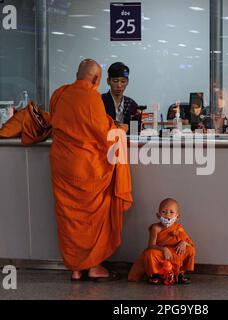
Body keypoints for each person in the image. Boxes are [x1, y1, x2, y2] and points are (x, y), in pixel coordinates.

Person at [50, 59, 133, 282]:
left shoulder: (59, 94)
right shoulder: (92, 98)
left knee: (68, 217)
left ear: (77, 74)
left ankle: (75, 268)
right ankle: (93, 266)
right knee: (91, 218)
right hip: (87, 169)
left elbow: (55, 122)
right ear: (97, 79)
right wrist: (119, 130)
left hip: (61, 165)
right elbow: (104, 135)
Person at [128, 198, 195, 285]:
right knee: (150, 253)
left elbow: (190, 243)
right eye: (164, 212)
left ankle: (180, 274)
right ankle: (155, 275)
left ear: (177, 217)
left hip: (175, 252)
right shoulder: (156, 228)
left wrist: (184, 243)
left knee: (190, 250)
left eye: (171, 212)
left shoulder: (178, 228)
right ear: (158, 215)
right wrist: (163, 249)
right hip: (160, 252)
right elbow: (151, 245)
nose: (167, 215)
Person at [102, 62, 140, 129]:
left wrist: (129, 128)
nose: (119, 85)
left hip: (126, 139)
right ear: (108, 81)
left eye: (123, 81)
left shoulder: (132, 105)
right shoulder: (100, 101)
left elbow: (134, 132)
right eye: (115, 81)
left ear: (127, 82)